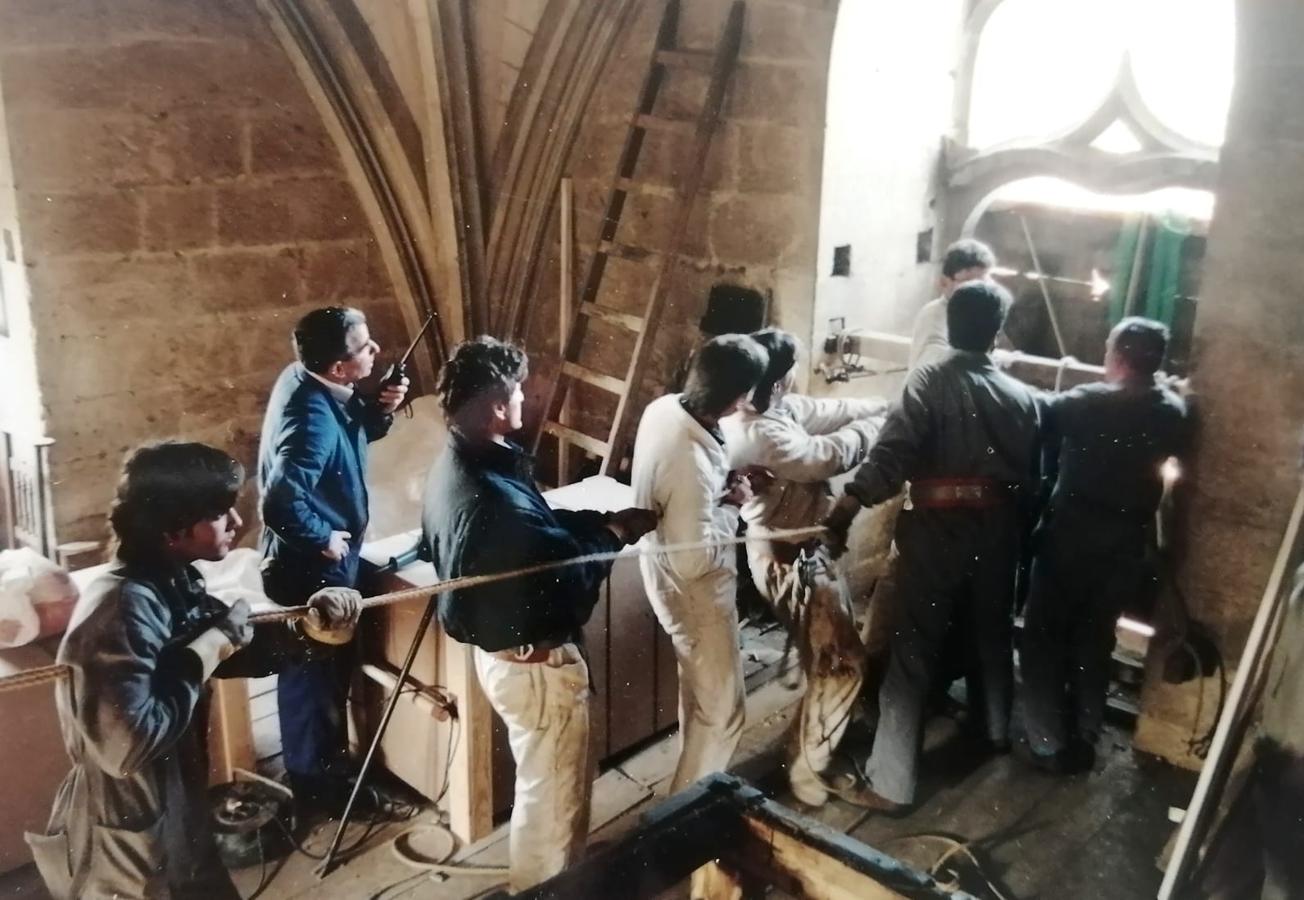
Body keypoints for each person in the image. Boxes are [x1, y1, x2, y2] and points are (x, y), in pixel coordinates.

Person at [26, 442, 360, 900]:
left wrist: (314, 627)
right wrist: (214, 641)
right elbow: (129, 746)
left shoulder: (170, 579)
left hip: (177, 806)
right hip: (128, 831)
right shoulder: (122, 608)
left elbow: (238, 648)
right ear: (173, 530)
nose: (238, 523)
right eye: (221, 513)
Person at [421, 336, 655, 893]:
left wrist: (592, 521)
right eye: (519, 392)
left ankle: (553, 868)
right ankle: (549, 882)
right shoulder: (493, 501)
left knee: (548, 787)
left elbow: (539, 535)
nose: (526, 398)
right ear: (499, 406)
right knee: (554, 795)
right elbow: (561, 577)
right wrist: (616, 532)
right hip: (538, 670)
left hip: (503, 660)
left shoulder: (458, 463)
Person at [823, 280, 1041, 811]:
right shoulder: (1024, 398)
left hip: (939, 528)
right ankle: (992, 732)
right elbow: (1037, 480)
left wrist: (847, 507)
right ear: (997, 332)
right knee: (991, 632)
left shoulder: (929, 380)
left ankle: (891, 784)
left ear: (950, 325)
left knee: (913, 649)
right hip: (1000, 530)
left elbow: (891, 455)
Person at [720, 328, 889, 806]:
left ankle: (810, 745)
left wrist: (884, 403)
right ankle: (808, 772)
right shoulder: (756, 432)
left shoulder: (779, 410)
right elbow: (826, 457)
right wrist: (884, 426)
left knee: (827, 658)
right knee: (844, 663)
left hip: (805, 554)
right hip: (786, 562)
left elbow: (832, 411)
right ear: (778, 378)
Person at [257, 306, 409, 813]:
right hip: (311, 571)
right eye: (366, 348)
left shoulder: (307, 380)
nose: (377, 352)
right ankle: (318, 789)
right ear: (340, 367)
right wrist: (322, 536)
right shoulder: (311, 419)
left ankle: (317, 766)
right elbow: (279, 501)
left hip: (308, 563)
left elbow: (348, 434)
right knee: (314, 681)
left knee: (315, 677)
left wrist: (380, 409)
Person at [1021, 317, 1189, 773]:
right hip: (1124, 543)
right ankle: (1086, 735)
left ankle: (1047, 742)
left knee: (1042, 638)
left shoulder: (1084, 402)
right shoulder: (1172, 410)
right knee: (1095, 637)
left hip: (1070, 536)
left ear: (1115, 357)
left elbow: (1036, 418)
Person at [631, 334, 769, 796]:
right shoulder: (688, 459)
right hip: (693, 593)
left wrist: (720, 490)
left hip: (666, 572)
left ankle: (679, 800)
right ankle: (688, 816)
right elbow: (694, 561)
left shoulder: (667, 408)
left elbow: (688, 500)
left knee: (702, 700)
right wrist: (734, 504)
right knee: (725, 712)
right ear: (736, 397)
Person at [908, 238, 997, 371]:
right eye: (969, 284)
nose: (979, 291)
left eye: (984, 283)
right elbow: (935, 368)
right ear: (944, 283)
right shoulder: (934, 316)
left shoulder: (978, 314)